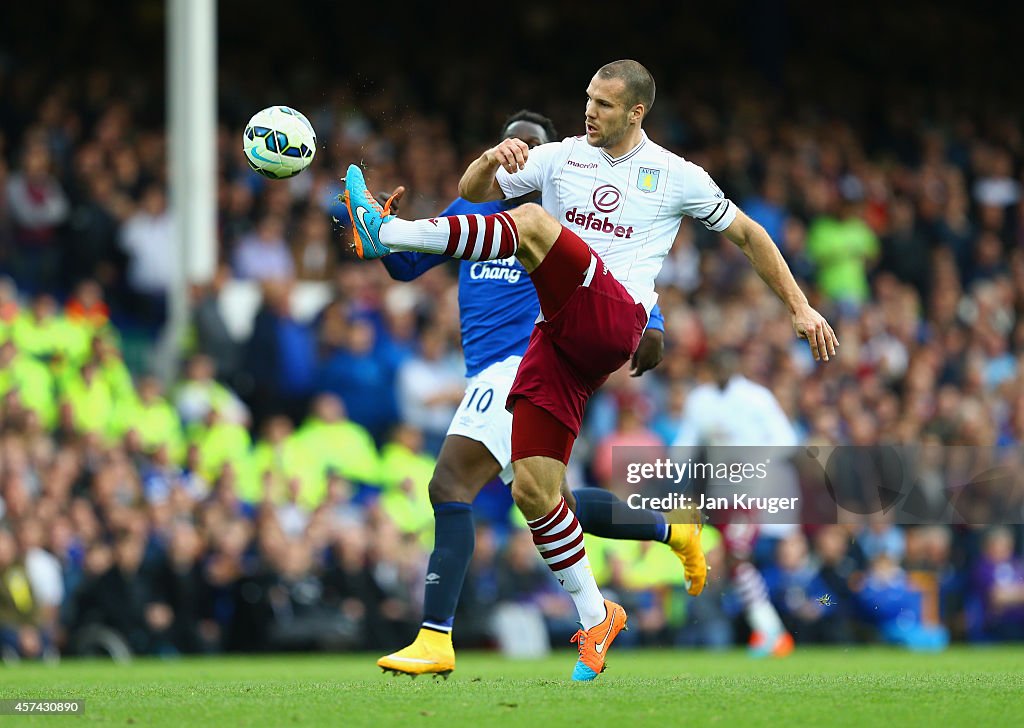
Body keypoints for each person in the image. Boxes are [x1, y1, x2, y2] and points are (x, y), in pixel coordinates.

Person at [345, 60, 837, 680]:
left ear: (636, 112)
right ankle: (594, 613)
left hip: (610, 320)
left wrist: (800, 307)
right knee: (536, 491)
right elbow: (470, 193)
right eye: (587, 99)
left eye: (604, 104)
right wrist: (492, 161)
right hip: (556, 342)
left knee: (529, 226)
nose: (590, 111)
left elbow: (748, 234)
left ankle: (382, 228)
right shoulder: (558, 159)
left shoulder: (677, 176)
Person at [371, 111, 697, 679]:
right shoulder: (469, 209)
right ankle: (672, 529)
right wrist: (385, 224)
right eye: (512, 145)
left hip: (522, 365)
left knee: (450, 483)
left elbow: (620, 281)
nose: (520, 156)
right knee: (552, 503)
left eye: (533, 149)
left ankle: (435, 637)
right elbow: (402, 266)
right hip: (483, 374)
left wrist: (656, 324)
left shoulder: (561, 223)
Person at [672, 348, 800, 657]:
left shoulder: (757, 398)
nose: (722, 371)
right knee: (732, 561)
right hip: (720, 495)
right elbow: (685, 445)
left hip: (754, 492)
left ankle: (771, 632)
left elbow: (786, 440)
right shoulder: (700, 400)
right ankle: (768, 630)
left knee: (739, 558)